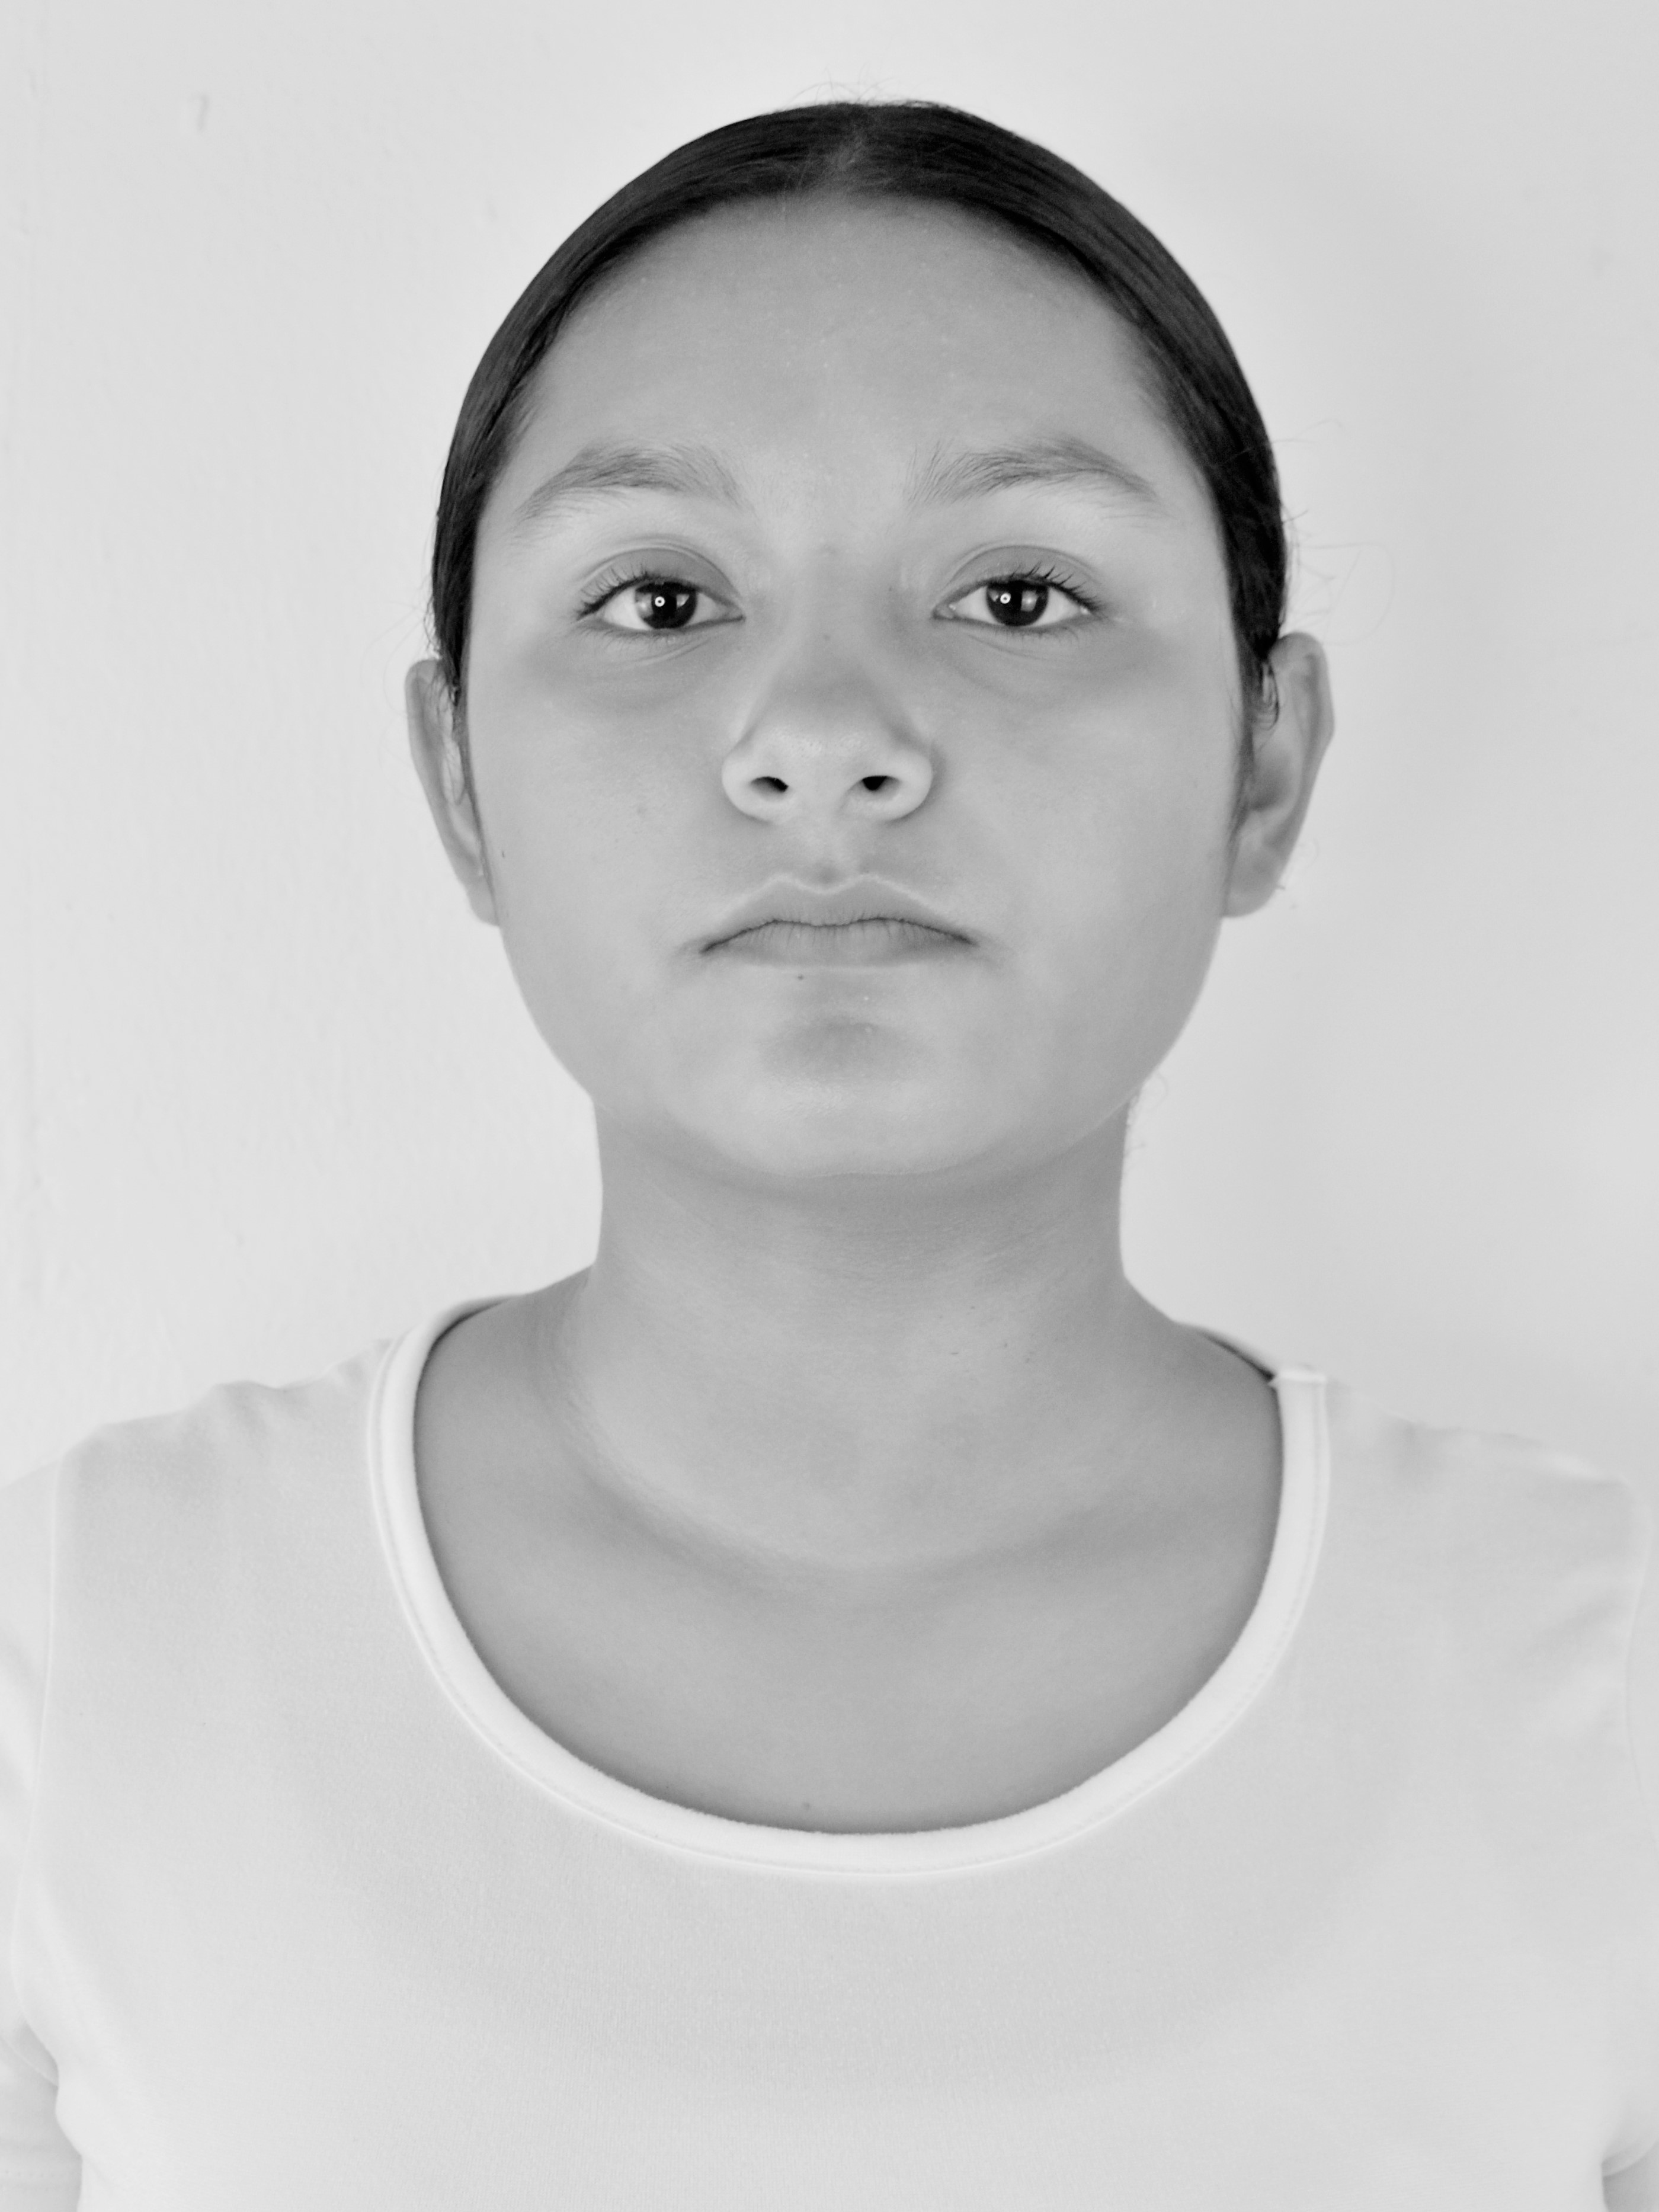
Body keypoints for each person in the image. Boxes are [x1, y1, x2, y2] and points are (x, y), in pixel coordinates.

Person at [2, 98, 1655, 2209]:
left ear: (1265, 764)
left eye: (1021, 593)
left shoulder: (1597, 1695)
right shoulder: (81, 1661)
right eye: (662, 598)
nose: (826, 740)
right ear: (460, 782)